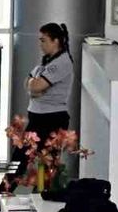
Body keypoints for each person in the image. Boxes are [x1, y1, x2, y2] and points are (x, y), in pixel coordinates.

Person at [11, 23, 74, 180]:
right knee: (22, 158)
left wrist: (35, 86)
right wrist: (34, 87)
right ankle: (5, 189)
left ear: (56, 41)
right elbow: (28, 83)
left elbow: (37, 85)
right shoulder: (47, 61)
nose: (40, 44)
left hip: (51, 119)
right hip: (38, 118)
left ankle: (41, 191)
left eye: (43, 40)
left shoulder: (61, 63)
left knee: (43, 161)